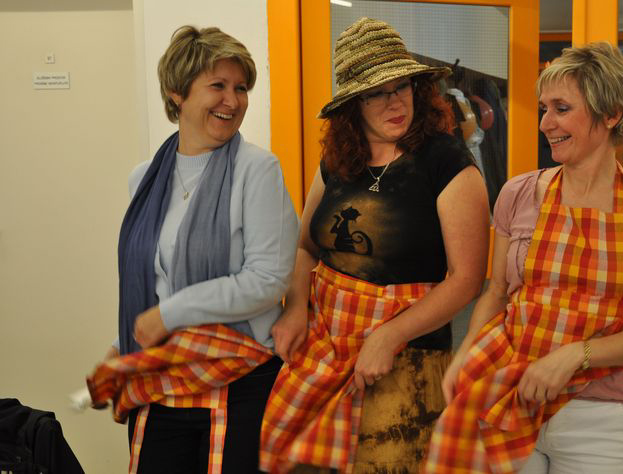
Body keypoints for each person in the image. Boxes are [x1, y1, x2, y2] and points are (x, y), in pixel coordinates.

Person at [424, 42, 623, 473]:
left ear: (612, 114)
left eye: (561, 109)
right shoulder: (518, 193)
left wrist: (574, 356)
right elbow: (496, 294)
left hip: (600, 418)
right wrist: (466, 355)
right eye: (544, 109)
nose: (546, 123)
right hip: (509, 394)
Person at [259, 17, 489, 473]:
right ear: (352, 105)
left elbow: (466, 279)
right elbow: (305, 247)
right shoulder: (338, 160)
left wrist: (389, 336)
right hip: (323, 349)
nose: (395, 101)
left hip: (405, 361)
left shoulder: (446, 161)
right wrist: (296, 307)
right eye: (376, 93)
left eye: (401, 86)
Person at [87, 25, 298, 473]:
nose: (233, 101)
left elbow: (267, 280)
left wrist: (169, 314)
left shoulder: (257, 170)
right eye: (218, 85)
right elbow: (157, 281)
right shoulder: (145, 178)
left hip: (240, 382)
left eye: (241, 88)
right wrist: (122, 345)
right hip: (161, 378)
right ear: (177, 93)